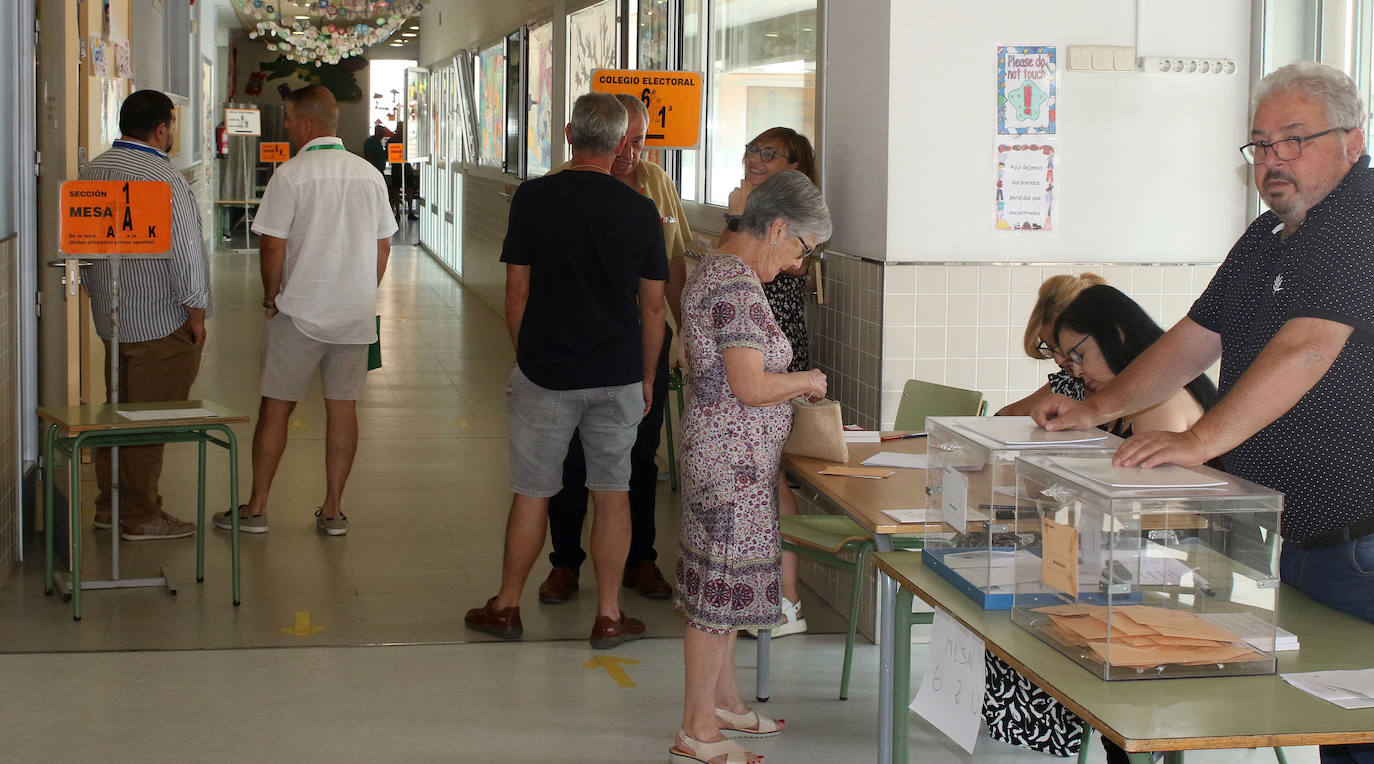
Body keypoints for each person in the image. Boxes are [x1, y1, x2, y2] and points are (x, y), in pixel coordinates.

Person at [1032, 61, 1374, 764]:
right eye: (1260, 144)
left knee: (1360, 727)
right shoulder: (1266, 236)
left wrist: (1199, 439)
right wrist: (1095, 407)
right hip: (1301, 533)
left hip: (1361, 535)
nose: (1273, 158)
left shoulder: (1360, 221)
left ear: (1353, 141)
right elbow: (1191, 341)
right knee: (1329, 716)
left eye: (1294, 139)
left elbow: (1307, 349)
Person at [464, 93, 668, 649]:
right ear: (622, 143)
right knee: (613, 491)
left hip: (546, 372)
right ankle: (608, 615)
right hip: (619, 373)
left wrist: (526, 353)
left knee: (533, 492)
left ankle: (506, 607)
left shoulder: (534, 198)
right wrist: (648, 375)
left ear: (569, 135)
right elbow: (653, 307)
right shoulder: (640, 209)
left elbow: (517, 289)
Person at [671, 170, 830, 764]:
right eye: (801, 250)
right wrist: (807, 382)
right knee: (716, 597)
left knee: (719, 587)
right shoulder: (737, 285)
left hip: (720, 456)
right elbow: (750, 384)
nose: (796, 264)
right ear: (780, 227)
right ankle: (696, 731)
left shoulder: (714, 266)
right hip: (732, 465)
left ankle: (725, 703)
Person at [212, 85, 397, 537]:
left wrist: (270, 296)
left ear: (309, 125)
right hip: (353, 317)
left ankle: (256, 509)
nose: (288, 126)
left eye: (291, 120)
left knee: (276, 408)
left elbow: (272, 244)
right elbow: (383, 244)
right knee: (342, 408)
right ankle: (333, 511)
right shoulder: (369, 175)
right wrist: (361, 292)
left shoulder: (291, 175)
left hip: (299, 313)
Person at [537, 93, 694, 604]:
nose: (632, 151)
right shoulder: (561, 184)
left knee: (640, 457)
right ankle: (565, 564)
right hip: (578, 339)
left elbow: (674, 266)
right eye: (625, 141)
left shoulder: (658, 186)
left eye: (641, 141)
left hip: (643, 340)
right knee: (573, 460)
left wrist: (686, 331)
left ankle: (640, 559)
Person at [81, 89, 212, 540]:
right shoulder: (163, 178)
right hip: (159, 321)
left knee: (116, 412)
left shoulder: (93, 171)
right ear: (162, 128)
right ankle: (139, 514)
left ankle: (108, 506)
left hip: (112, 321)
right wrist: (196, 314)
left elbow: (82, 245)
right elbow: (187, 255)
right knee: (148, 421)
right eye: (171, 126)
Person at [719, 127, 820, 638]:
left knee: (771, 475)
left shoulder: (784, 228)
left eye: (767, 154)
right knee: (763, 477)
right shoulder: (755, 218)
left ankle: (785, 599)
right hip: (753, 357)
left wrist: (739, 213)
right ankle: (770, 599)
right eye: (749, 151)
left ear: (794, 168)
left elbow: (730, 261)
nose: (753, 160)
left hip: (772, 354)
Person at [996, 272, 1106, 416]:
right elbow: (1006, 416)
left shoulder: (1140, 386)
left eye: (1065, 348)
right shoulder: (1070, 383)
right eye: (1051, 348)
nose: (1058, 360)